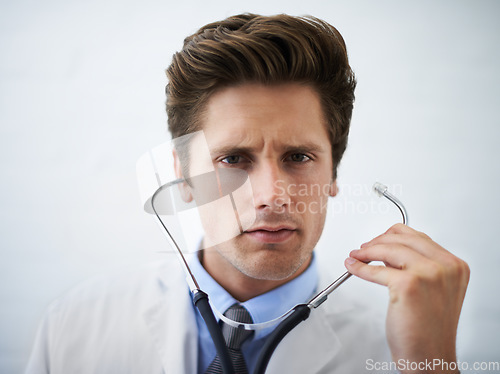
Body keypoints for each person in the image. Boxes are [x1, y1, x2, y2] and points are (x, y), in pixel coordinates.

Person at [25, 13, 470, 374]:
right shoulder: (76, 326)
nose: (271, 195)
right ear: (183, 178)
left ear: (334, 171)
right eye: (233, 159)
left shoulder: (403, 353)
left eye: (298, 156)